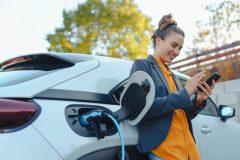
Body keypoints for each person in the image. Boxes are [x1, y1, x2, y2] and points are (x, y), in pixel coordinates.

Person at [130, 14, 215, 160]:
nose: (177, 52)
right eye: (173, 45)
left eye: (180, 48)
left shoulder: (172, 75)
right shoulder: (142, 65)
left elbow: (181, 116)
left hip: (188, 152)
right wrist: (185, 93)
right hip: (165, 152)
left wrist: (197, 101)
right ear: (158, 41)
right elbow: (140, 108)